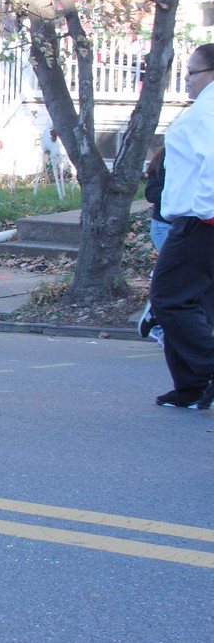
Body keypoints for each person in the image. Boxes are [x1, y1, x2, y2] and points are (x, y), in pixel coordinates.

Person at [149, 43, 214, 409]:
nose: (186, 80)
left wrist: (205, 210)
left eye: (192, 73)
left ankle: (203, 371)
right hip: (200, 219)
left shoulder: (207, 112)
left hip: (199, 221)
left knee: (169, 299)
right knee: (197, 302)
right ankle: (192, 386)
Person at [136, 146, 170, 346]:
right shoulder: (164, 160)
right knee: (176, 277)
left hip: (190, 227)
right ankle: (155, 320)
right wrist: (178, 194)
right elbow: (151, 193)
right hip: (164, 227)